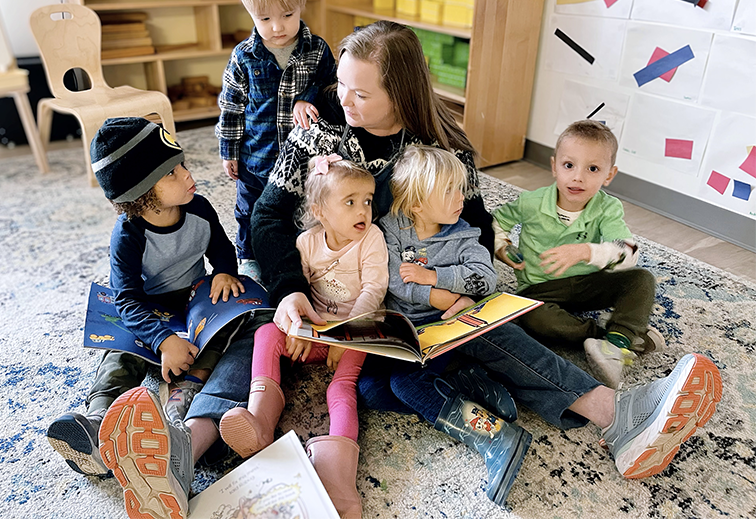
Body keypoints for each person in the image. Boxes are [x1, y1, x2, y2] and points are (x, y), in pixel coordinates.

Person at [250, 20, 722, 497]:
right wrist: (288, 288)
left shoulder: (444, 146)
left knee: (484, 329)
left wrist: (456, 287)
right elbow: (266, 218)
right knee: (384, 385)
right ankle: (581, 407)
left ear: (401, 92)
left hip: (408, 287)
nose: (344, 101)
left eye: (361, 94)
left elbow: (474, 226)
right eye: (342, 86)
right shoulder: (318, 132)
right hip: (331, 292)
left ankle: (612, 412)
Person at [46, 116, 244, 482]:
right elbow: (127, 301)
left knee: (221, 339)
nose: (187, 174)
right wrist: (163, 340)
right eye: (170, 173)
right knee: (119, 355)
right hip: (146, 310)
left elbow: (222, 250)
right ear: (141, 194)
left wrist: (224, 273)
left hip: (192, 301)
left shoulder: (199, 209)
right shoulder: (128, 235)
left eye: (181, 163)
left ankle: (175, 421)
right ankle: (98, 425)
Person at [219, 154, 388, 518]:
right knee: (267, 333)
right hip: (316, 331)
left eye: (367, 201)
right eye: (350, 202)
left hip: (355, 334)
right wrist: (298, 330)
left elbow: (373, 291)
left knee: (340, 389)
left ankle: (338, 478)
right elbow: (300, 292)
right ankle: (260, 422)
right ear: (320, 211)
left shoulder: (371, 239)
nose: (363, 210)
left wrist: (346, 337)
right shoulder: (307, 243)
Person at [376, 144, 531, 506]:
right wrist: (445, 296)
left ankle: (494, 437)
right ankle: (468, 385)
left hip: (444, 331)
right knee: (370, 393)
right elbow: (392, 280)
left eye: (460, 188)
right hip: (404, 329)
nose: (461, 198)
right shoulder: (391, 229)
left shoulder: (464, 234)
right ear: (416, 204)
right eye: (449, 191)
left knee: (405, 384)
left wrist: (433, 276)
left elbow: (485, 280)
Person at [493, 119, 664, 389]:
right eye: (568, 165)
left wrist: (586, 251)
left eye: (593, 168)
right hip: (539, 289)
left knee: (641, 278)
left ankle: (619, 342)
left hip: (588, 284)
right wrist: (502, 246)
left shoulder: (608, 208)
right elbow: (494, 221)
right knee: (527, 317)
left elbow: (629, 251)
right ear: (554, 166)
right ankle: (615, 337)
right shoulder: (531, 202)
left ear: (609, 175)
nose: (578, 177)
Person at [216, 0, 337, 284]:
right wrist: (229, 150)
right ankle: (249, 256)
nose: (278, 27)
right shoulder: (244, 56)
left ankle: (292, 255)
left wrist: (306, 99)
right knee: (248, 211)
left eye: (287, 14)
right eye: (264, 19)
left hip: (302, 158)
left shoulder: (316, 49)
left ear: (301, 5)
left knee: (295, 211)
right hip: (256, 157)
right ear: (250, 13)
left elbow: (332, 91)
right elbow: (231, 106)